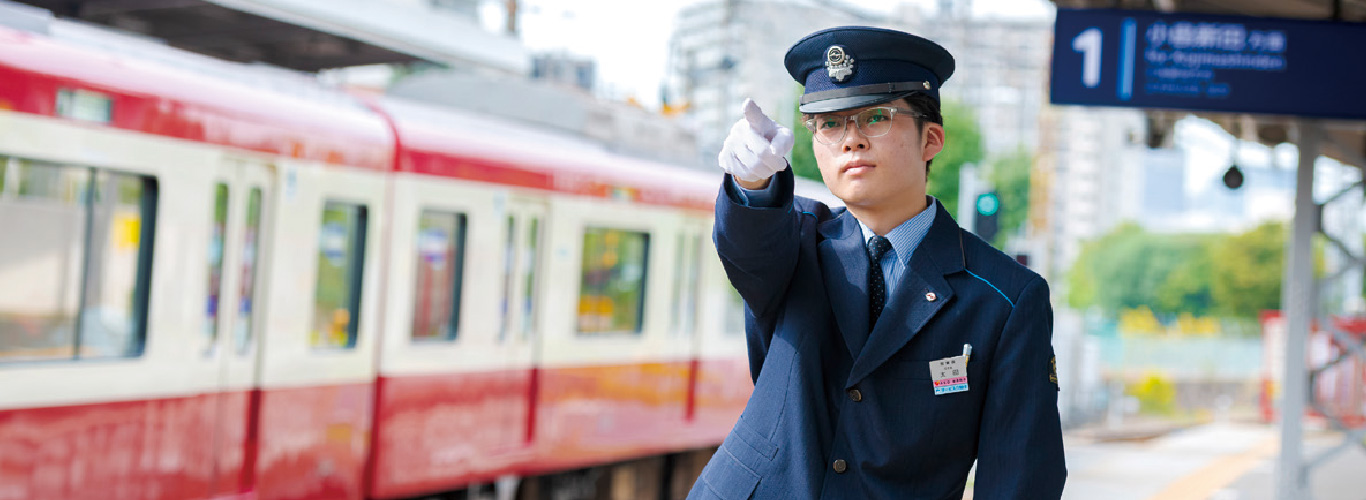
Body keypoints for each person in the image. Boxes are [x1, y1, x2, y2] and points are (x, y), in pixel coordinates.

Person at [687, 26, 1067, 499]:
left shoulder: (1005, 299)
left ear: (931, 140)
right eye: (830, 124)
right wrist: (751, 187)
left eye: (876, 118)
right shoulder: (797, 241)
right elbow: (751, 247)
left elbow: (1021, 477)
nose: (851, 140)